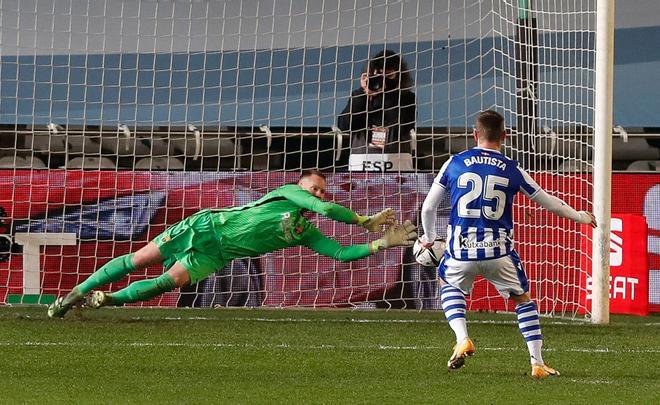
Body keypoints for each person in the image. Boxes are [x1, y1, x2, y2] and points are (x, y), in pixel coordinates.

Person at [48, 170, 417, 318]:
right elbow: (322, 206)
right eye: (314, 186)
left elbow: (339, 253)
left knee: (168, 282)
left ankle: (107, 299)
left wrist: (380, 243)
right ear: (303, 186)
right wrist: (360, 220)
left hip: (218, 253)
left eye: (322, 188)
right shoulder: (289, 194)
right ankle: (72, 294)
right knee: (138, 260)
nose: (318, 192)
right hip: (205, 227)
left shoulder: (305, 232)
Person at [417, 110, 597, 379]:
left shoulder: (455, 162)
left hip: (461, 249)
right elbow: (548, 202)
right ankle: (537, 362)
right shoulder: (512, 168)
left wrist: (430, 238)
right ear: (505, 135)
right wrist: (580, 216)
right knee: (523, 300)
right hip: (498, 251)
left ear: (475, 134)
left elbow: (429, 208)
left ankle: (462, 337)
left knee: (449, 284)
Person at [337, 49, 416, 171]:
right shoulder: (360, 96)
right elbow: (345, 125)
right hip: (362, 165)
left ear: (399, 75)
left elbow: (402, 126)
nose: (383, 80)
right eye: (379, 75)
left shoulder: (407, 98)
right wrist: (363, 93)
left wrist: (388, 95)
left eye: (388, 75)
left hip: (396, 165)